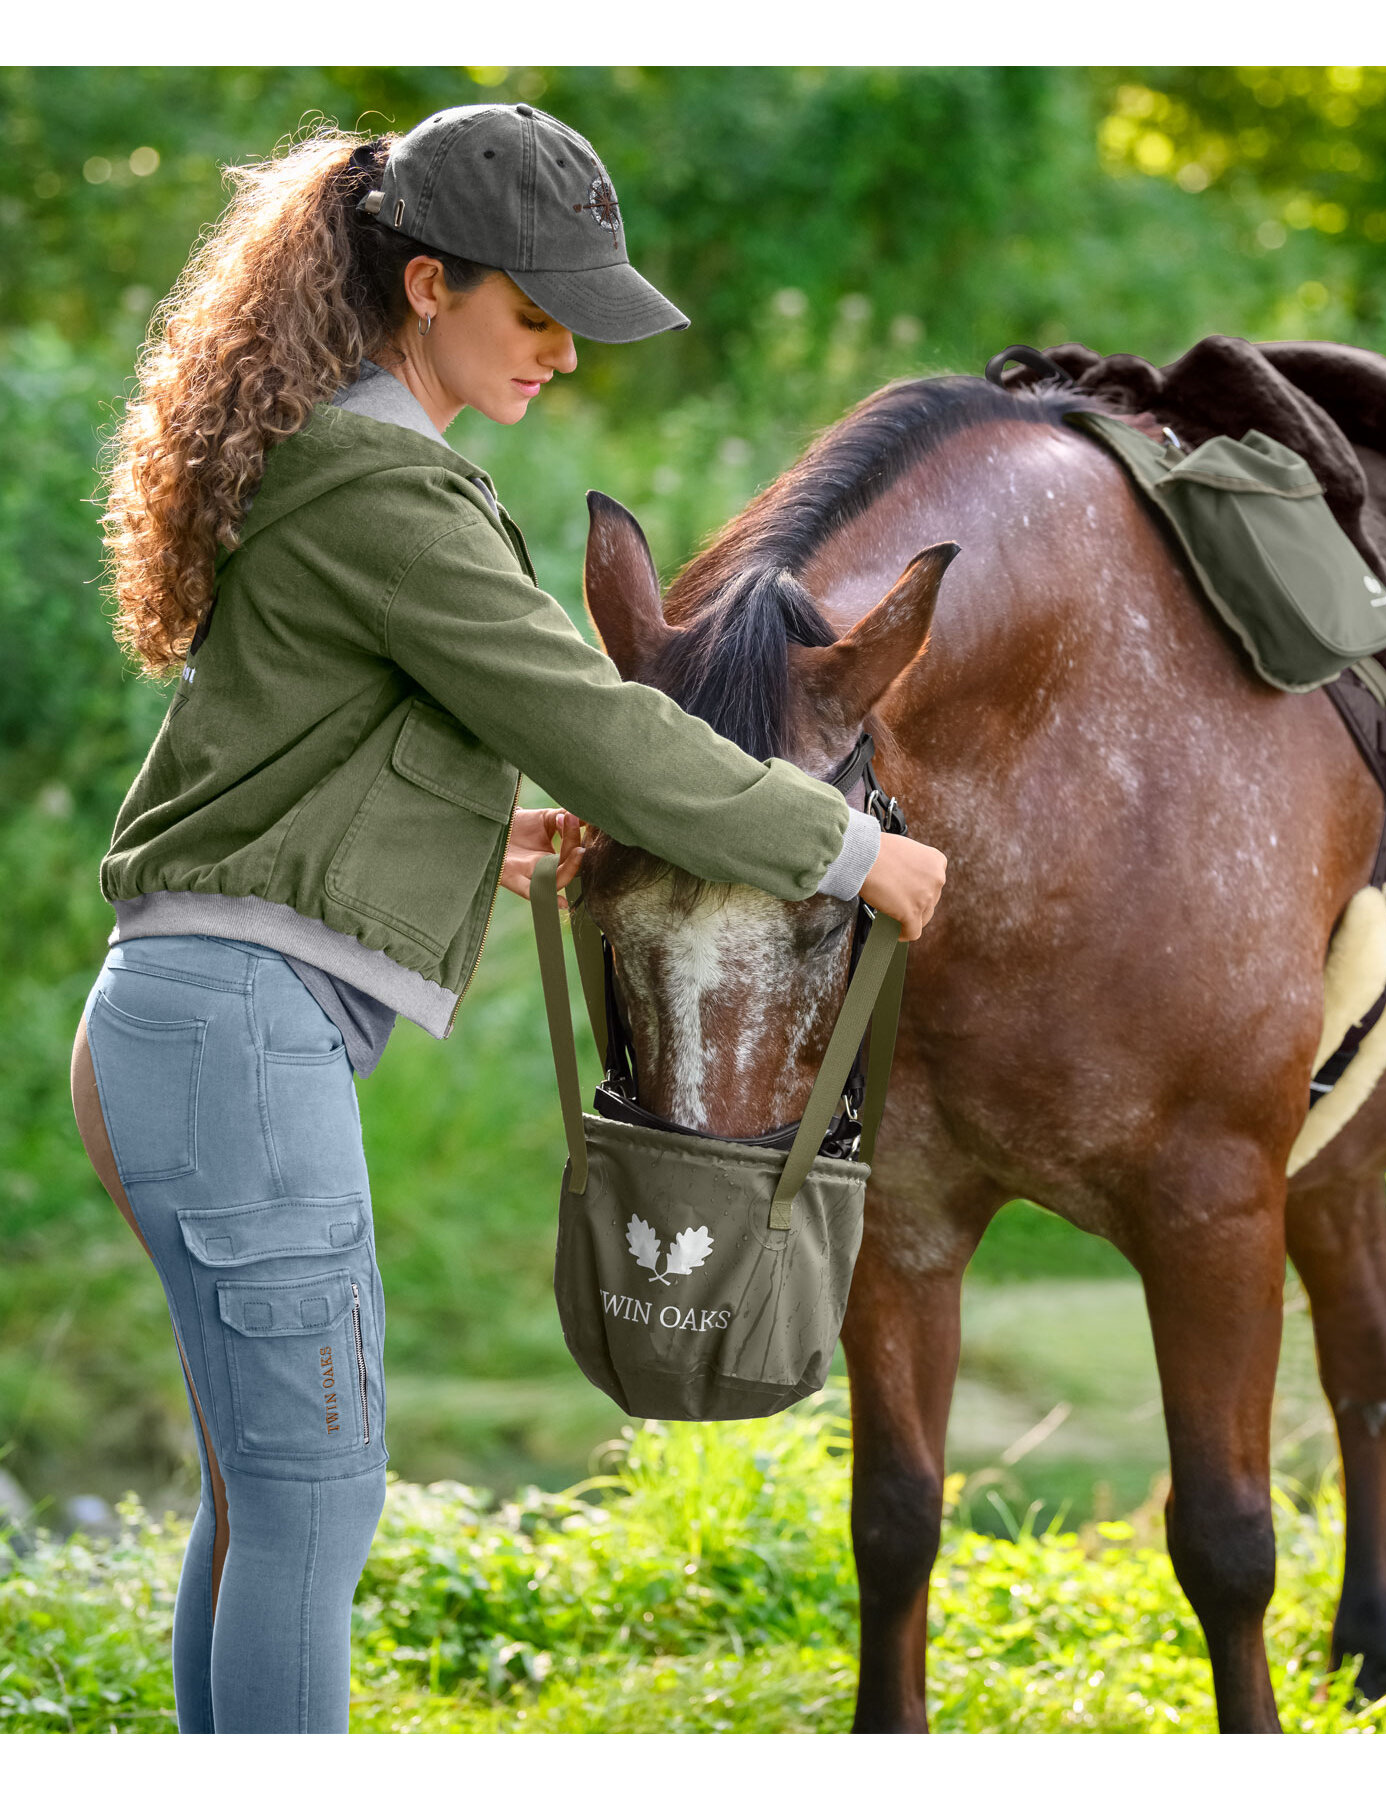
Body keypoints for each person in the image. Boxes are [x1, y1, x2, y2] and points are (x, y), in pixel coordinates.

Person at [67, 102, 948, 1733]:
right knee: (315, 1505)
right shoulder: (383, 485)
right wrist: (840, 848)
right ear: (424, 286)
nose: (560, 352)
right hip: (234, 1045)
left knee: (264, 1503)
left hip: (200, 1027)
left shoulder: (337, 461)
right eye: (532, 312)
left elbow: (294, 754)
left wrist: (482, 840)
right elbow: (597, 719)